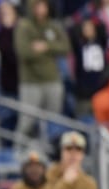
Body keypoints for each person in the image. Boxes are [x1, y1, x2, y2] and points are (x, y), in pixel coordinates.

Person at [14, 0, 70, 138]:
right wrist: (48, 53)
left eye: (44, 5)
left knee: (53, 122)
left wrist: (46, 46)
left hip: (52, 79)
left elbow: (66, 47)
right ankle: (18, 152)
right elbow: (23, 52)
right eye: (37, 6)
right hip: (30, 82)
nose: (41, 9)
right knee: (27, 122)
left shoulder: (53, 25)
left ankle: (48, 152)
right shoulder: (24, 26)